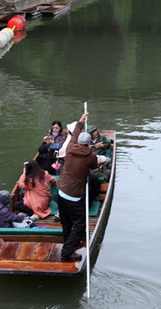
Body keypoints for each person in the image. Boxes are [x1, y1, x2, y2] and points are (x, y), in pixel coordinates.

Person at [56, 111, 101, 260]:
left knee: (67, 222)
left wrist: (81, 120)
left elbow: (74, 134)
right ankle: (66, 251)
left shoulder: (70, 147)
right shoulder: (91, 156)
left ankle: (68, 245)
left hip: (61, 191)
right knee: (80, 225)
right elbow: (94, 167)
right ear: (88, 144)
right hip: (73, 196)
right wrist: (92, 153)